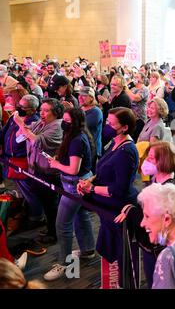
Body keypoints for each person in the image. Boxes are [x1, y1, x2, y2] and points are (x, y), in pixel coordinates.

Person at [77, 107, 139, 287]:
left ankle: (122, 282)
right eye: (107, 122)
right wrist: (89, 181)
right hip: (106, 205)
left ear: (125, 127)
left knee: (121, 253)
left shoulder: (126, 152)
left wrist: (92, 189)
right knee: (110, 248)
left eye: (112, 124)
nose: (107, 126)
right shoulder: (114, 143)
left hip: (117, 206)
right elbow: (103, 169)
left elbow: (118, 189)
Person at [115, 141, 175, 287]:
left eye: (151, 158)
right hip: (151, 247)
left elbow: (156, 219)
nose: (146, 161)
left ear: (163, 160)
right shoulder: (157, 180)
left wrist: (131, 210)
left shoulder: (169, 189)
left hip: (159, 249)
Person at [43, 108, 95, 281]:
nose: (64, 123)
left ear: (75, 122)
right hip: (76, 183)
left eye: (67, 120)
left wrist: (56, 164)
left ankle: (64, 263)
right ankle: (88, 250)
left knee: (62, 225)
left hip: (75, 186)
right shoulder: (76, 135)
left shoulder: (77, 140)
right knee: (82, 216)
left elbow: (74, 169)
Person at [13, 98, 64, 245]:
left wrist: (21, 124)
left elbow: (35, 141)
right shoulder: (41, 123)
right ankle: (50, 229)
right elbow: (19, 138)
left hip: (49, 173)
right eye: (41, 109)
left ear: (55, 112)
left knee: (51, 205)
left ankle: (54, 234)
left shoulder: (57, 126)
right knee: (46, 204)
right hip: (36, 170)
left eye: (46, 110)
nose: (42, 113)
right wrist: (24, 127)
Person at [78, 87, 102, 166]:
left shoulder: (96, 112)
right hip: (82, 145)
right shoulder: (81, 108)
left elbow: (81, 126)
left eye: (84, 95)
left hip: (91, 148)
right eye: (79, 95)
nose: (80, 97)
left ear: (91, 97)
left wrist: (73, 114)